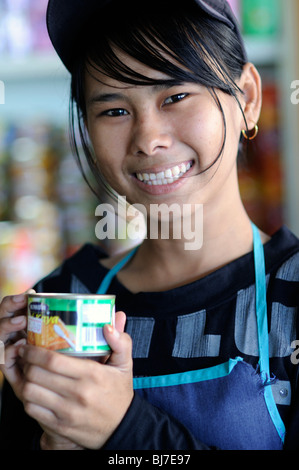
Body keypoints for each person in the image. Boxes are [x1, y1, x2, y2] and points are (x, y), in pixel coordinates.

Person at [0, 0, 298, 451]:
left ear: (248, 99)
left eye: (175, 97)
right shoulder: (64, 301)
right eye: (114, 111)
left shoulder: (291, 297)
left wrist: (124, 431)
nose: (147, 137)